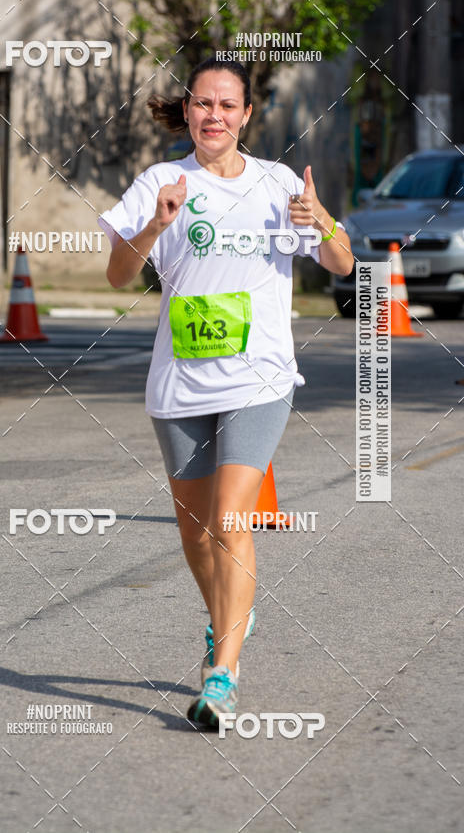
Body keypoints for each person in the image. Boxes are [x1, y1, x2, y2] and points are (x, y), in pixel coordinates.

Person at [98, 57, 354, 728]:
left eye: (227, 106)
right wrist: (154, 225)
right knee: (196, 530)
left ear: (246, 115)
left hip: (259, 377)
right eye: (202, 104)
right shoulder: (161, 181)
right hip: (180, 381)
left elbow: (343, 262)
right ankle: (224, 620)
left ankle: (222, 674)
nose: (214, 115)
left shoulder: (276, 184)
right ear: (187, 113)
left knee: (232, 519)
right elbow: (119, 276)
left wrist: (320, 217)